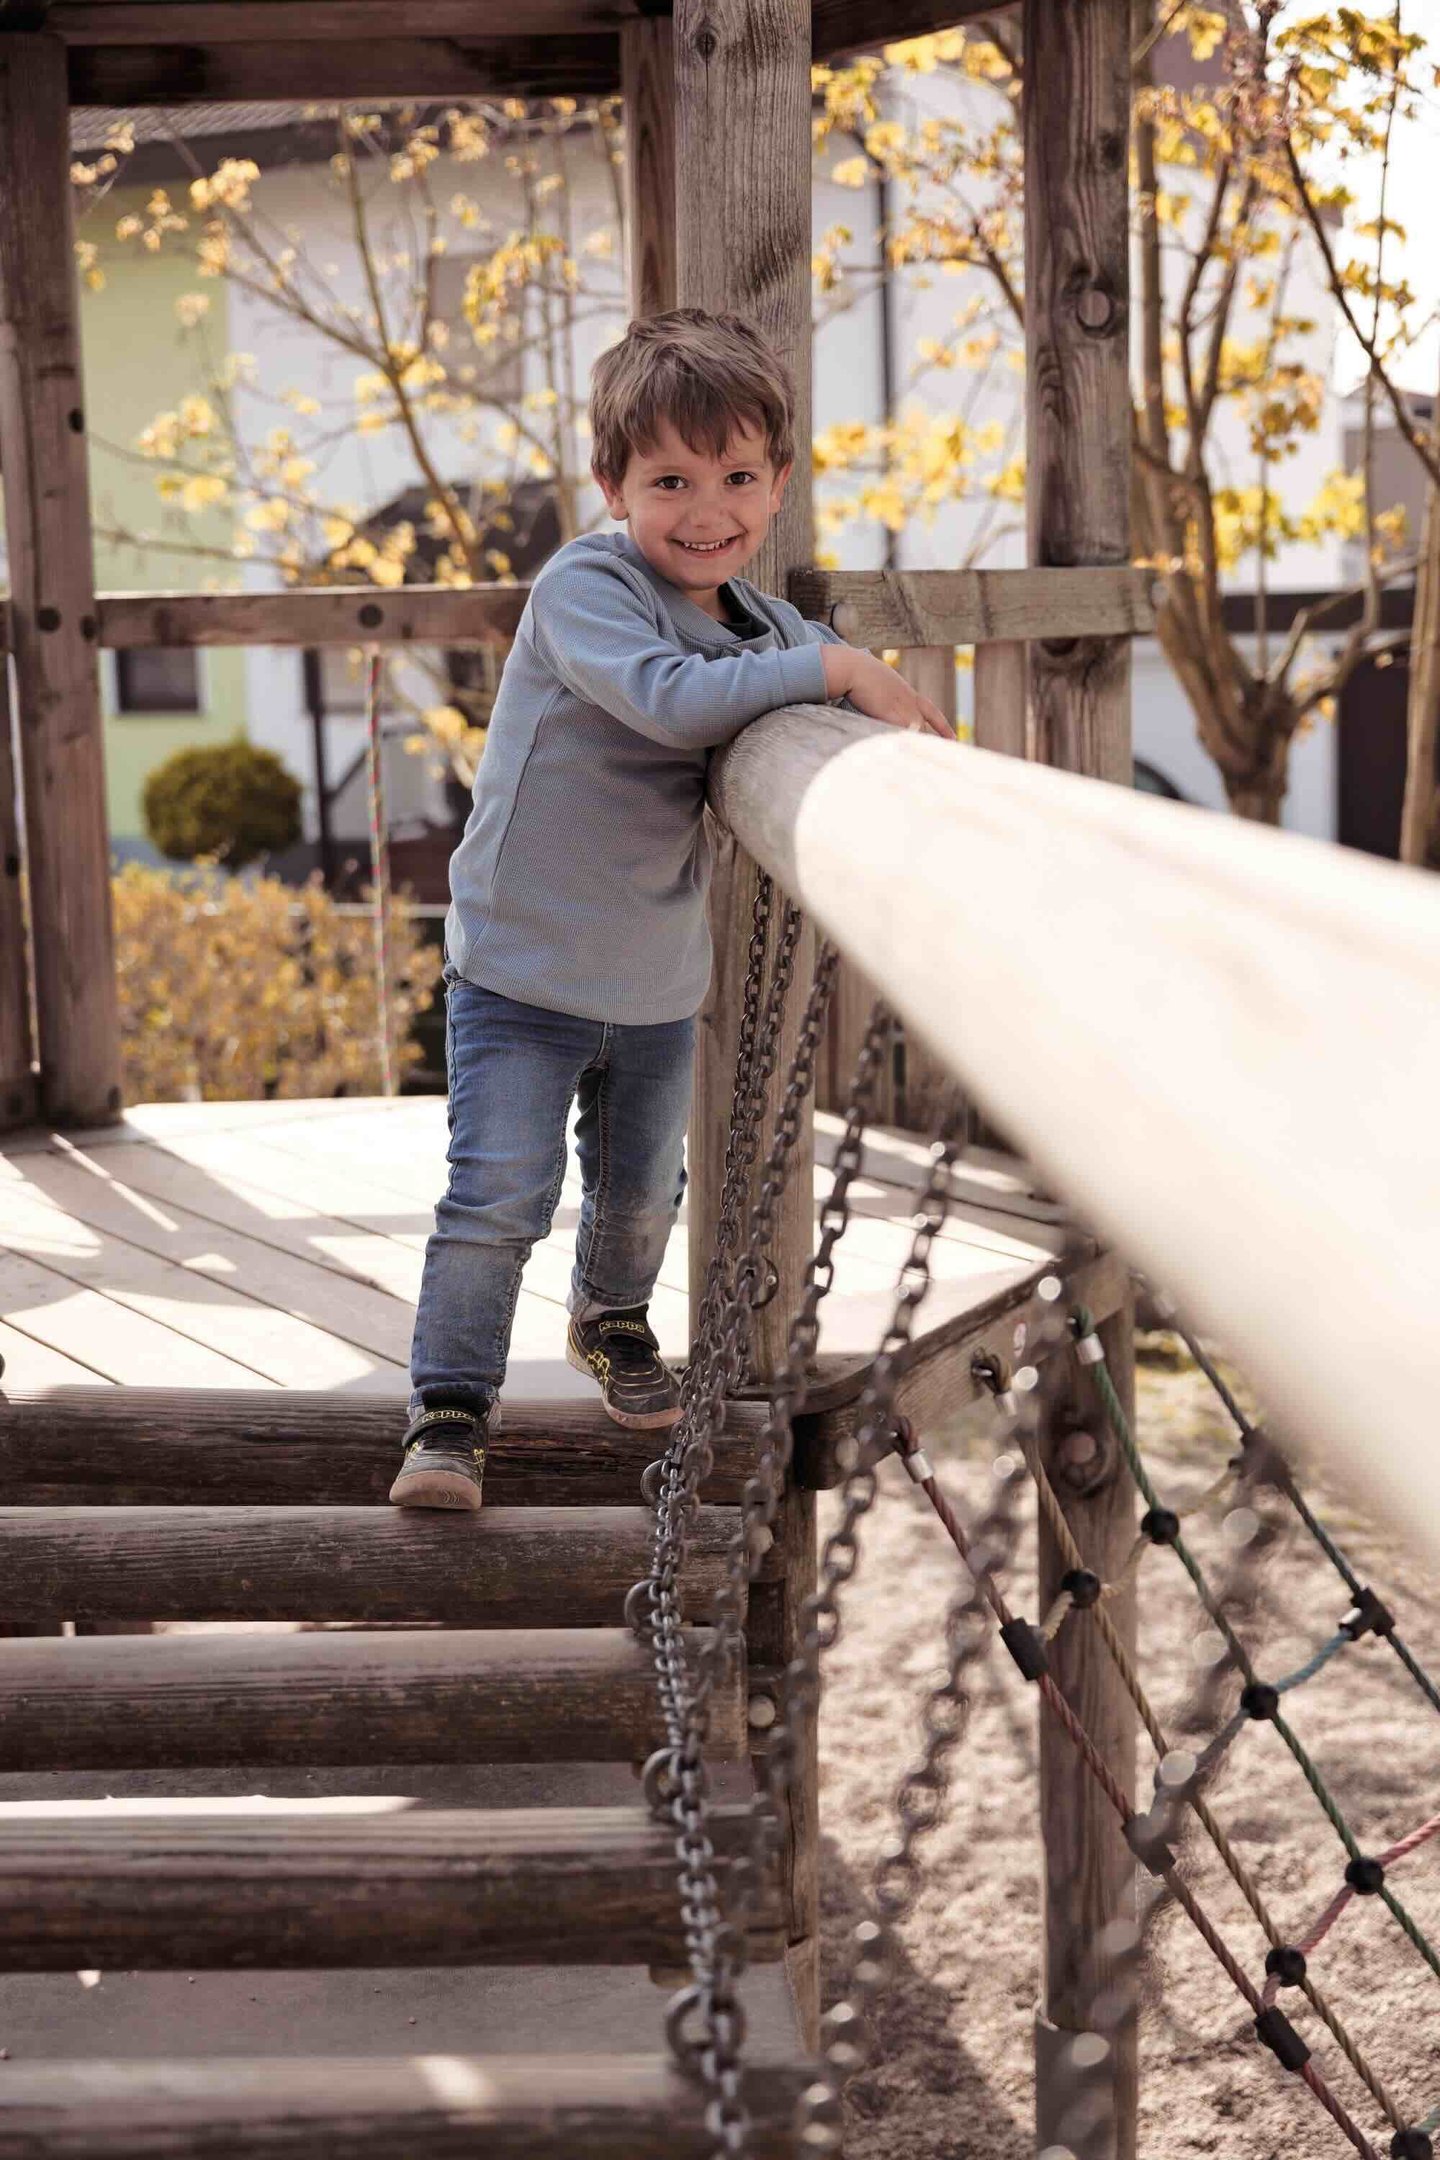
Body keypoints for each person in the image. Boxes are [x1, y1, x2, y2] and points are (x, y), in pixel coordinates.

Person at [392, 306, 952, 1510]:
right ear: (611, 486)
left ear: (780, 481)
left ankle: (612, 1317)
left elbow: (825, 701)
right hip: (521, 967)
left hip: (652, 972)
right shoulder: (585, 586)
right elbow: (671, 699)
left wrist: (905, 740)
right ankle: (448, 1411)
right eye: (671, 480)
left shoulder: (756, 619)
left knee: (645, 1188)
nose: (710, 511)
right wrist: (840, 665)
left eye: (740, 477)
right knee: (498, 1192)